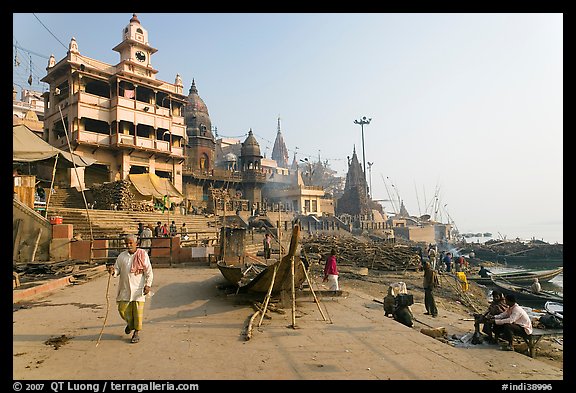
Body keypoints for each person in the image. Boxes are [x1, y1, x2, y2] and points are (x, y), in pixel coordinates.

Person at [106, 234, 154, 344]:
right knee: (122, 310)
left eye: (130, 243)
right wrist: (113, 271)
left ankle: (136, 332)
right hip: (125, 288)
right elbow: (117, 270)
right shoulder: (122, 256)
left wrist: (148, 285)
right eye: (126, 243)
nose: (128, 245)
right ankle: (130, 324)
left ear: (136, 244)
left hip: (139, 288)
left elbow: (149, 272)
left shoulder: (143, 255)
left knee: (138, 312)